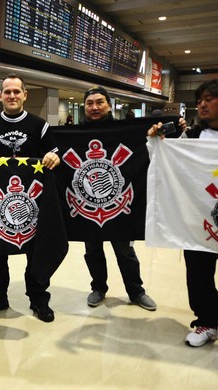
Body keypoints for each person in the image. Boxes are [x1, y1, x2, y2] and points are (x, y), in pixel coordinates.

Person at [148, 79, 218, 364]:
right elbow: (168, 163)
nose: (203, 104)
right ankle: (206, 322)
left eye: (209, 98)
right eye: (200, 100)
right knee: (198, 275)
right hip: (197, 221)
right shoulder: (193, 135)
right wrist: (156, 143)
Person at [0, 73, 61, 322]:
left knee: (35, 254)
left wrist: (54, 158)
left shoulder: (40, 125)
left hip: (33, 204)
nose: (12, 96)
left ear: (25, 94)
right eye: (7, 92)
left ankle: (39, 300)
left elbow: (57, 156)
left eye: (17, 91)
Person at [79, 86, 157, 311]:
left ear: (109, 105)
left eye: (99, 102)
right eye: (90, 103)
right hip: (89, 205)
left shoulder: (125, 130)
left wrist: (175, 127)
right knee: (92, 249)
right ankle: (98, 288)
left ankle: (136, 292)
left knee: (125, 250)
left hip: (118, 203)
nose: (94, 107)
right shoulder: (76, 134)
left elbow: (149, 142)